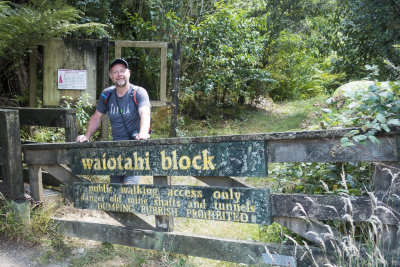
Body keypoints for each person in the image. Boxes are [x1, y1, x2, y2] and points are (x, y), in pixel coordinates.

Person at [76, 58, 151, 184]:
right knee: (115, 187)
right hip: (116, 149)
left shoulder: (138, 92)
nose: (119, 74)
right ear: (111, 76)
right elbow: (96, 117)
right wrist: (86, 136)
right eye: (115, 72)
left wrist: (143, 132)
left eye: (122, 71)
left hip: (136, 146)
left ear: (129, 73)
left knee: (128, 186)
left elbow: (145, 113)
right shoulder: (107, 94)